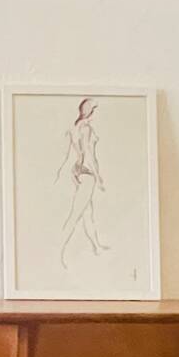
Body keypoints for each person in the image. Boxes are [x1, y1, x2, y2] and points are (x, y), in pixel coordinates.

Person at [54, 97, 109, 269]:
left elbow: (74, 154)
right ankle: (57, 254)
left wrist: (74, 170)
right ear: (90, 111)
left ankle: (96, 246)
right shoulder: (86, 129)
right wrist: (99, 177)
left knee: (87, 213)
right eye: (95, 109)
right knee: (75, 215)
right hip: (88, 175)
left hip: (79, 174)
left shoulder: (75, 128)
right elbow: (89, 154)